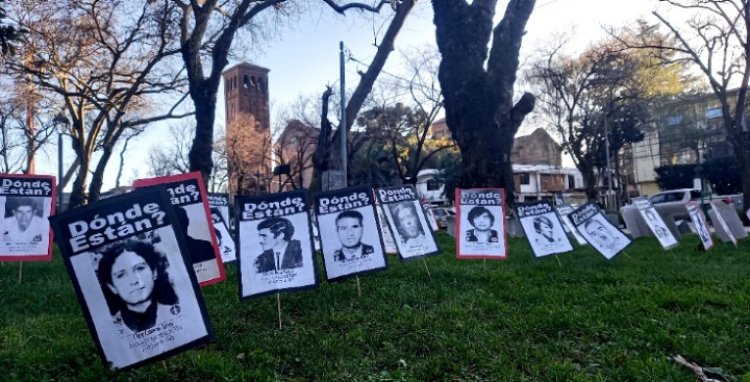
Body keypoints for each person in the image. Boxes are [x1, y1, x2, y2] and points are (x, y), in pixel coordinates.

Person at [96, 239, 179, 334]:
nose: (134, 280)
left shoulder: (176, 311)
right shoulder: (109, 330)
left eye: (140, 268)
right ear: (112, 287)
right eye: (121, 275)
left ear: (154, 272)